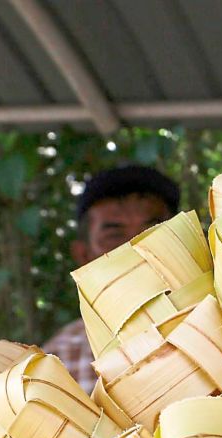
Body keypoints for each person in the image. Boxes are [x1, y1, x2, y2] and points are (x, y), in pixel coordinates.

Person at [42, 165, 180, 391]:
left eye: (153, 230)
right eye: (115, 236)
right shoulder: (59, 363)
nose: (136, 247)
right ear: (83, 255)